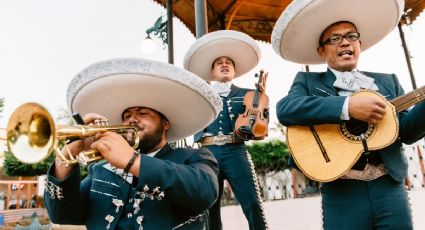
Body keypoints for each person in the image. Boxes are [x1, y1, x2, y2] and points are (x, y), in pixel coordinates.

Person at [272, 0, 425, 229]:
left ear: (360, 44)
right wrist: (347, 106)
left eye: (351, 36)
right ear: (321, 50)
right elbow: (286, 109)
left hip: (390, 187)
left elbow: (408, 132)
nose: (345, 42)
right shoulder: (307, 81)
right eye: (335, 38)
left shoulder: (388, 81)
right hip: (341, 191)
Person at [43, 58, 223, 230]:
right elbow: (63, 215)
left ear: (165, 124)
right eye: (127, 115)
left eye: (143, 113)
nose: (132, 120)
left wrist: (132, 161)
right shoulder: (99, 169)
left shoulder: (192, 157)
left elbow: (205, 192)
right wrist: (67, 156)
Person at [184, 30, 268, 230]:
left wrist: (260, 101)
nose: (224, 64)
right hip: (207, 152)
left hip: (235, 151)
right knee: (209, 207)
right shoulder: (201, 96)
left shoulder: (250, 95)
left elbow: (260, 132)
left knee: (252, 202)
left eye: (228, 62)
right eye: (219, 62)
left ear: (234, 71)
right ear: (212, 72)